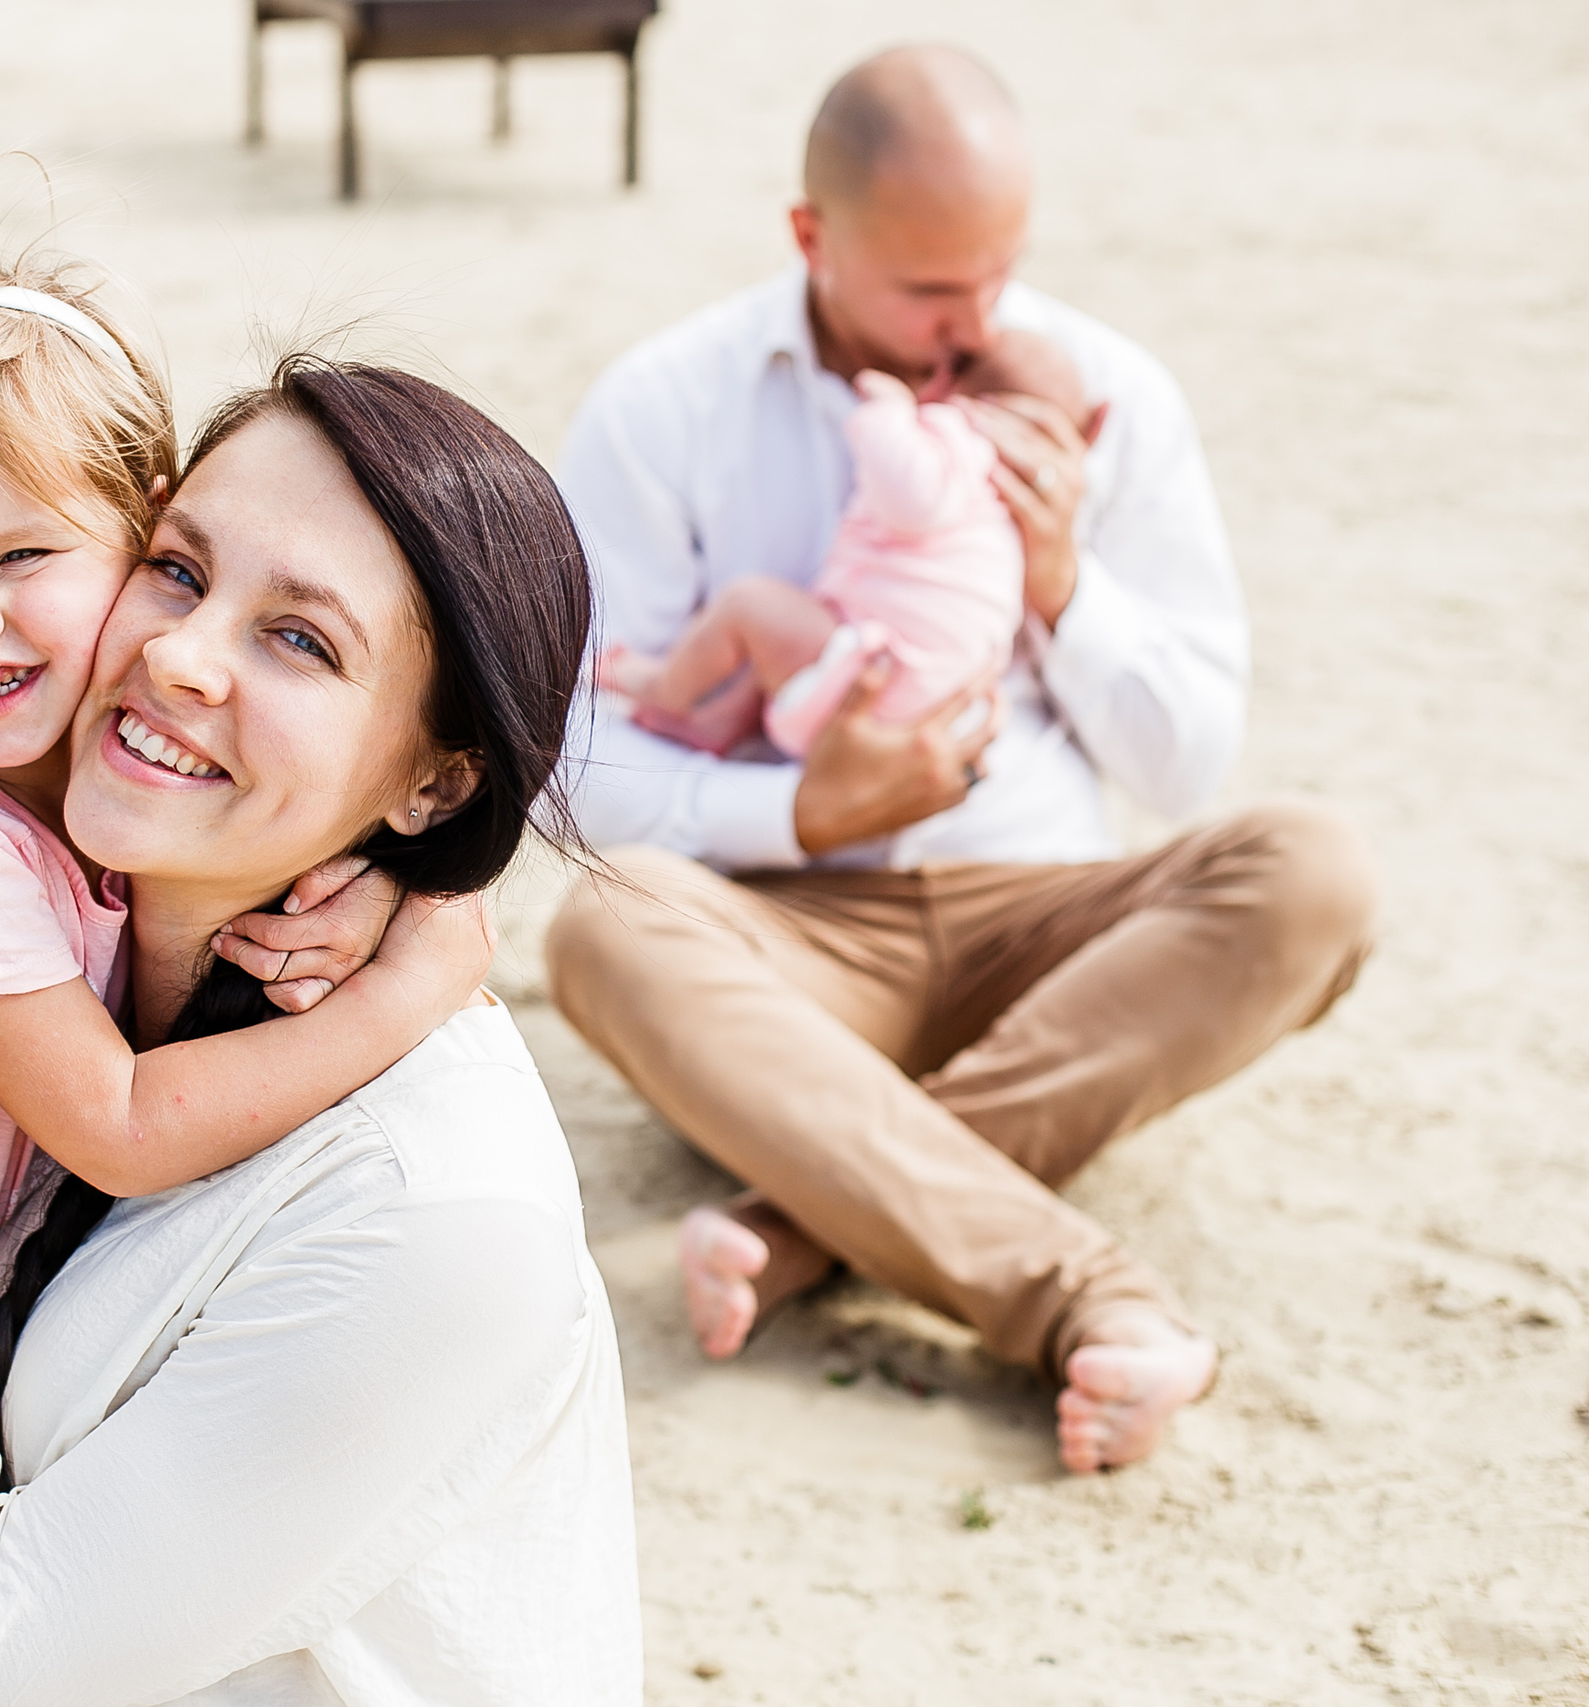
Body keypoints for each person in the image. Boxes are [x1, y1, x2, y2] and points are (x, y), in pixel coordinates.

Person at [0, 357, 641, 1704]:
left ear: (435, 782)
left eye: (301, 639)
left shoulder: (431, 1212)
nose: (179, 655)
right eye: (181, 571)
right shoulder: (43, 925)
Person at [546, 43, 1379, 1473]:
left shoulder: (1102, 392)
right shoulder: (663, 407)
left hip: (1056, 935)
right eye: (931, 289)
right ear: (810, 237)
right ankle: (1078, 1287)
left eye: (1001, 272)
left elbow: (1189, 766)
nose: (975, 321)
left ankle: (812, 1213)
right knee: (606, 925)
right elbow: (572, 771)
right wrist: (804, 803)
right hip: (786, 945)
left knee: (1317, 869)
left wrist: (1062, 582)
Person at [595, 330, 1089, 760]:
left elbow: (911, 501)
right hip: (924, 691)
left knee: (749, 605)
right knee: (786, 635)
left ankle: (662, 687)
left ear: (948, 382)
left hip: (878, 677)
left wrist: (889, 412)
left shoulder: (961, 437)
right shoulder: (1010, 504)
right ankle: (721, 721)